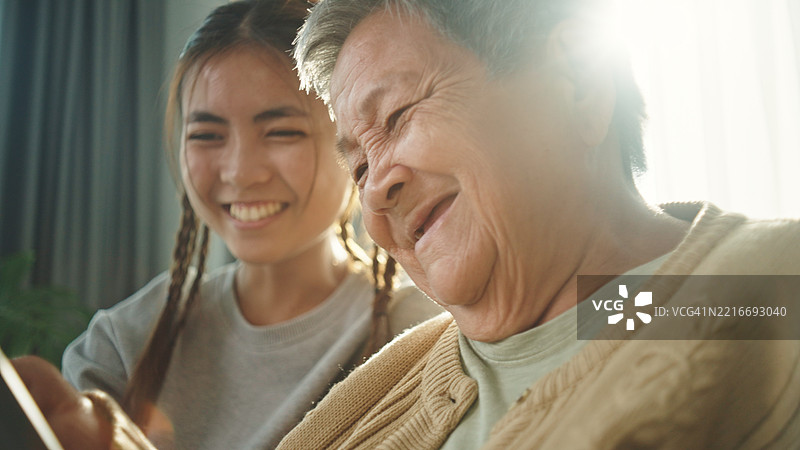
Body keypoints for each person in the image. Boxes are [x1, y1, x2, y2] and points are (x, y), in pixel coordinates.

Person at [10, 0, 800, 448]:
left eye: (399, 115)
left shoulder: (740, 296)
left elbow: (712, 305)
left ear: (574, 88)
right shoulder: (420, 373)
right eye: (357, 163)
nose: (377, 189)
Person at [59, 0, 440, 449]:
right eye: (206, 135)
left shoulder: (426, 331)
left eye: (282, 132)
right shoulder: (123, 345)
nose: (240, 172)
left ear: (353, 143)